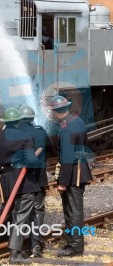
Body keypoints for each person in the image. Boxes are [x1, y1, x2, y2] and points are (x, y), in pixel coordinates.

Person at [0, 108, 40, 264]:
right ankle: (15, 254)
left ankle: (0, 240)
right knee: (21, 217)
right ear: (19, 121)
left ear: (4, 122)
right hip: (23, 181)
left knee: (8, 212)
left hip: (6, 180)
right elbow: (31, 161)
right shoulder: (25, 136)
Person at [49, 95, 93, 257]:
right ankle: (73, 243)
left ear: (54, 111)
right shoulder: (78, 121)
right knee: (74, 209)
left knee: (73, 211)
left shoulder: (66, 128)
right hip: (80, 169)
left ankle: (74, 247)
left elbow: (67, 158)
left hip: (73, 174)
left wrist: (63, 183)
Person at [17, 105, 49, 258]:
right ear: (32, 118)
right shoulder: (40, 131)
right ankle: (36, 247)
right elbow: (51, 147)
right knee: (38, 210)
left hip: (21, 180)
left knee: (22, 212)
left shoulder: (14, 134)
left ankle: (21, 246)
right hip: (39, 177)